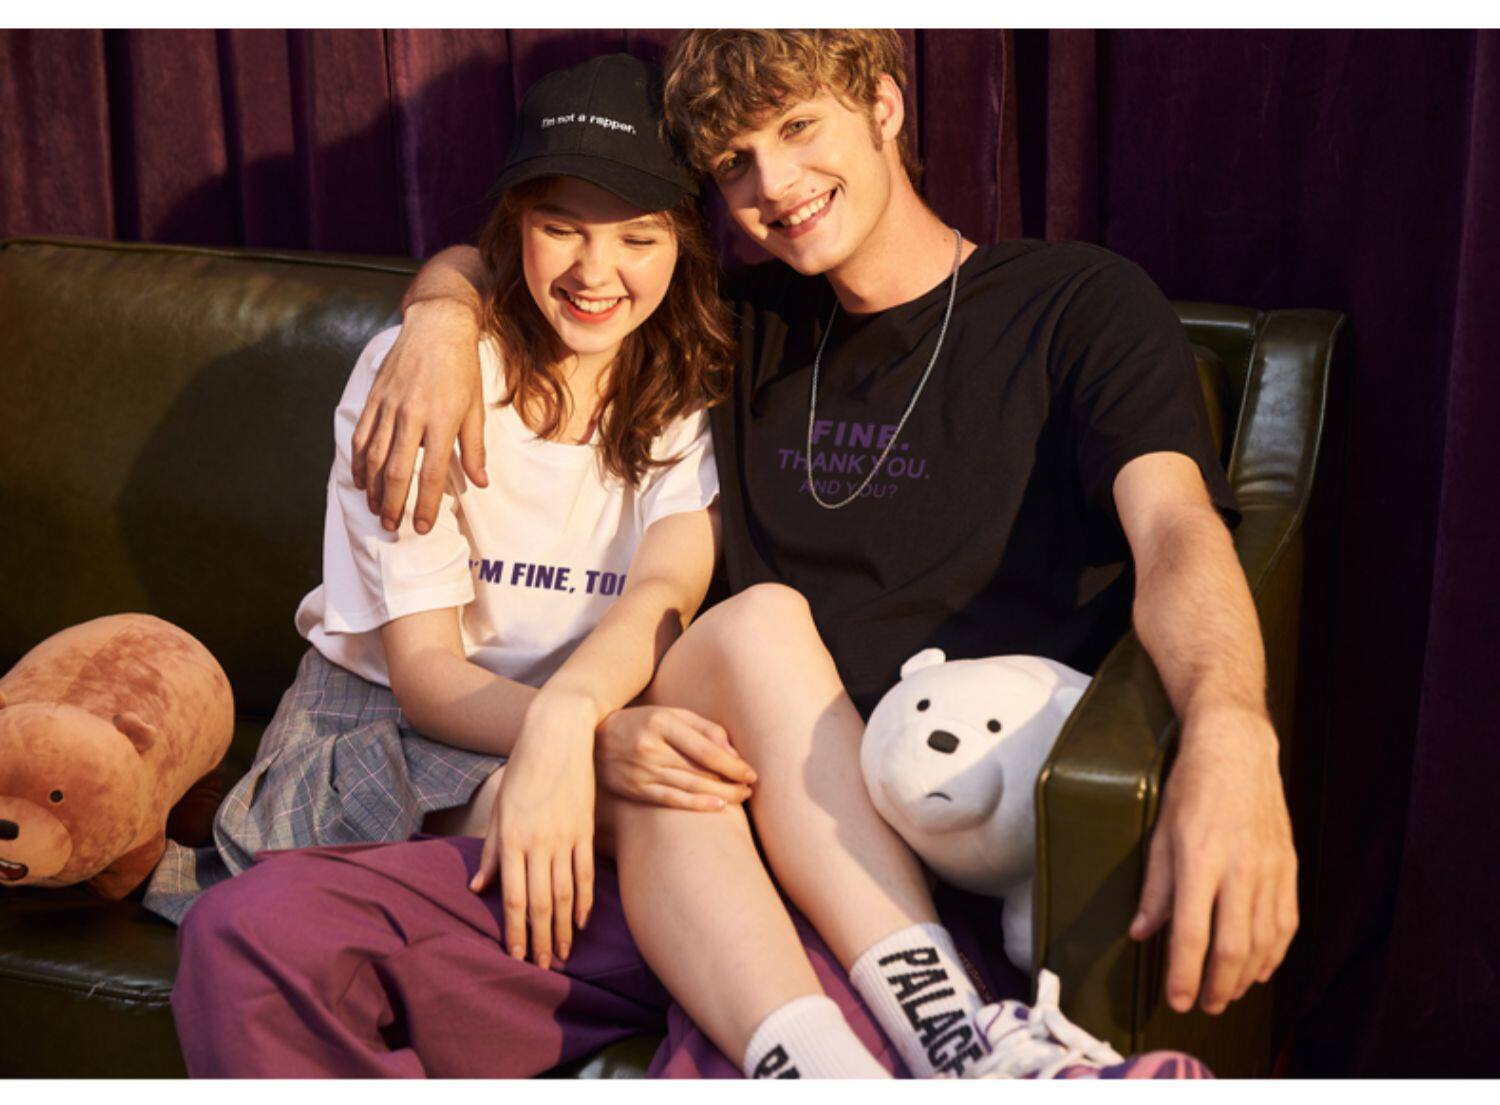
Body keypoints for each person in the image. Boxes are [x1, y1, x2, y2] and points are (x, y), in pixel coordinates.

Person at [174, 30, 1291, 1079]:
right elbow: (552, 246)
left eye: (800, 127)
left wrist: (1232, 731)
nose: (777, 183)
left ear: (886, 104)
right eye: (736, 162)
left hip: (895, 852)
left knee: (751, 637)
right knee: (247, 933)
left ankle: (949, 1031)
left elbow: (1178, 534)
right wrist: (438, 315)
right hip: (686, 817)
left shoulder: (1075, 306)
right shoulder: (729, 329)